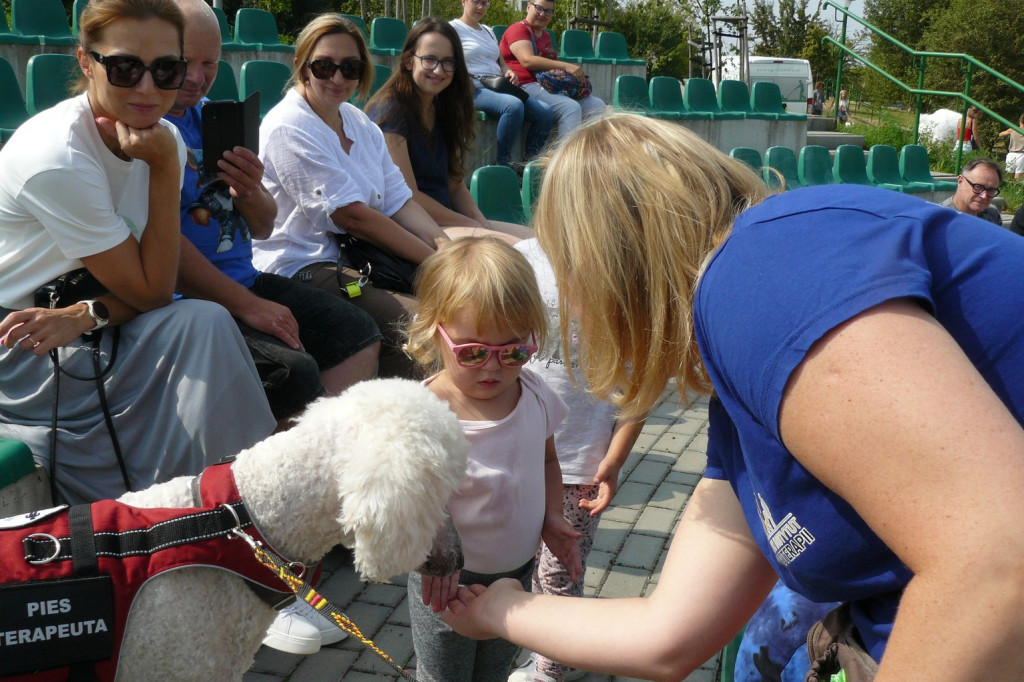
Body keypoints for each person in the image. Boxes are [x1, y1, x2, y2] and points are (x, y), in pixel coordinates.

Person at [441, 114, 1024, 681]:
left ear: (609, 270)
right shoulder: (742, 392)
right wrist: (499, 609)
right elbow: (668, 637)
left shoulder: (762, 276)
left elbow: (996, 563)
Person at [0, 0, 275, 506]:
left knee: (205, 323)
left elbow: (157, 287)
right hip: (28, 343)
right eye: (125, 67)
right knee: (203, 324)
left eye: (166, 69)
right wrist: (169, 172)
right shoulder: (57, 156)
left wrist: (89, 314)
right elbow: (154, 291)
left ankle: (240, 509)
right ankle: (203, 517)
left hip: (94, 320)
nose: (148, 88)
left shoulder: (160, 135)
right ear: (86, 62)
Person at [166, 0, 381, 430]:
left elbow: (263, 224)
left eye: (209, 63)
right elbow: (162, 250)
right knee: (292, 372)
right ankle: (283, 478)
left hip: (244, 276)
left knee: (357, 332)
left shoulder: (215, 118)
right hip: (187, 301)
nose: (196, 76)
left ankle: (328, 454)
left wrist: (248, 188)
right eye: (184, 61)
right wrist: (248, 306)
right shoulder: (149, 125)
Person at [403, 237, 583, 682]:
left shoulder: (535, 395)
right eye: (473, 352)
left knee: (495, 669)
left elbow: (544, 461)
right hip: (446, 581)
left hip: (516, 569)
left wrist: (551, 516)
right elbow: (410, 499)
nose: (493, 368)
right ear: (434, 332)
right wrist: (434, 560)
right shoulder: (424, 414)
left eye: (515, 351)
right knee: (444, 673)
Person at [252, 13, 452, 380]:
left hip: (361, 261)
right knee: (425, 329)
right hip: (306, 266)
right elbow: (352, 217)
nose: (338, 78)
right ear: (301, 66)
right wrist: (435, 260)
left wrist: (444, 246)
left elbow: (399, 200)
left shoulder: (359, 123)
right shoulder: (288, 126)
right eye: (324, 66)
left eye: (350, 67)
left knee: (460, 306)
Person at [507, 238, 644, 682]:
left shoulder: (630, 270)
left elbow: (643, 384)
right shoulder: (526, 255)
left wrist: (617, 457)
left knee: (560, 571)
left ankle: (551, 668)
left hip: (580, 463)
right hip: (518, 450)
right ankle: (543, 646)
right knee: (520, 564)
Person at [366, 18, 531, 239]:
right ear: (408, 61)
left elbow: (454, 185)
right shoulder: (390, 111)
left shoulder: (443, 107)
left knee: (538, 240)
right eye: (429, 59)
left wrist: (480, 222)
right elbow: (408, 197)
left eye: (448, 62)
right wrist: (471, 225)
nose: (438, 70)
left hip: (446, 220)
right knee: (513, 251)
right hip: (411, 227)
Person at [451, 0, 554, 167]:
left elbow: (501, 61)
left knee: (546, 112)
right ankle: (502, 163)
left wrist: (508, 72)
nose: (480, 7)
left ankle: (528, 165)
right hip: (473, 88)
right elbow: (448, 60)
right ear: (463, 1)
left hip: (498, 84)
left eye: (485, 3)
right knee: (513, 106)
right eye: (476, 2)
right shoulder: (453, 29)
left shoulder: (488, 31)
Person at [499, 0, 605, 142]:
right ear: (528, 6)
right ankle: (566, 161)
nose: (543, 14)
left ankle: (590, 155)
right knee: (571, 108)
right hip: (524, 85)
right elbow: (527, 60)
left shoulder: (546, 35)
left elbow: (550, 67)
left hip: (546, 86)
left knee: (597, 105)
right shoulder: (518, 29)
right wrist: (567, 66)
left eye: (548, 11)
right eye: (539, 8)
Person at [940, 157, 1003, 225]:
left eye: (991, 190)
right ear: (960, 182)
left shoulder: (992, 214)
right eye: (978, 187)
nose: (984, 196)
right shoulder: (940, 218)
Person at [997, 112, 1024, 180]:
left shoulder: (1012, 130)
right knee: (1018, 178)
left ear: (1019, 120)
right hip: (1022, 155)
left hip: (1011, 154)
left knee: (1009, 178)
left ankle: (1008, 189)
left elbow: (1000, 134)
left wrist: (1009, 133)